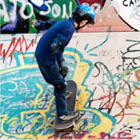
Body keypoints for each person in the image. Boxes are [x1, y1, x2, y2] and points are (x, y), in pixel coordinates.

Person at [34, 5, 95, 121]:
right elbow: (55, 46)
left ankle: (60, 94)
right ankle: (63, 115)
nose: (86, 27)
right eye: (87, 24)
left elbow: (52, 23)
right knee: (60, 84)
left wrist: (40, 24)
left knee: (60, 76)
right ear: (84, 21)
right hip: (47, 58)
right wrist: (62, 63)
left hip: (42, 53)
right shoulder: (69, 29)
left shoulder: (66, 23)